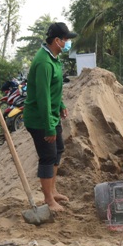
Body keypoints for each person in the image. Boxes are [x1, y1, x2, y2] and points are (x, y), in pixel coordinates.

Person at [23, 22, 77, 213]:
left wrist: (61, 105)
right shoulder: (44, 62)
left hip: (52, 115)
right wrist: (48, 127)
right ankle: (48, 199)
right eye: (66, 39)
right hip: (40, 118)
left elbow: (54, 90)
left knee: (58, 150)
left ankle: (52, 191)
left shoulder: (53, 58)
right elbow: (43, 97)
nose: (68, 42)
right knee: (47, 156)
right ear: (57, 41)